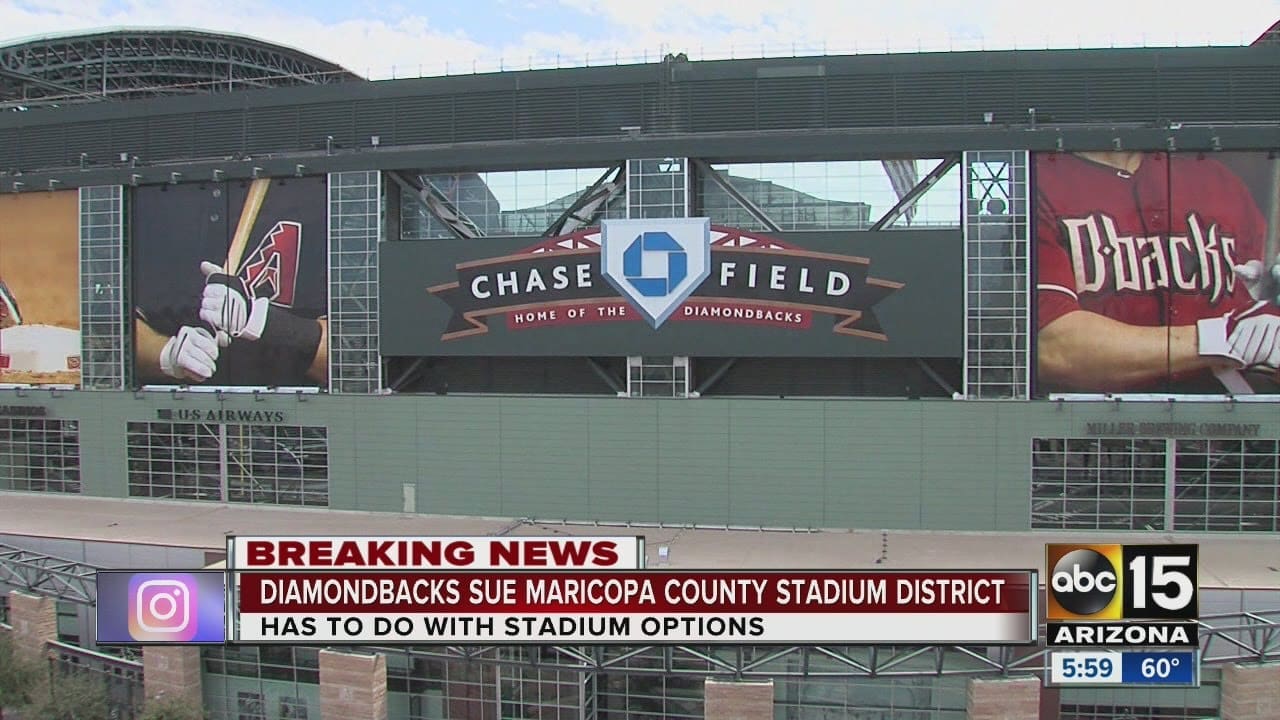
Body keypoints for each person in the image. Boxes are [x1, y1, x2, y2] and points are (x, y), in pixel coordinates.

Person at [1036, 151, 1280, 393]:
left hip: (1228, 409)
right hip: (1095, 412)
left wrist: (1266, 303)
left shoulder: (1214, 179)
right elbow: (1054, 349)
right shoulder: (1035, 179)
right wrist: (1221, 338)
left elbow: (1264, 319)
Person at [132, 179, 329, 387]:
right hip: (172, 402)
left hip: (288, 404)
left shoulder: (318, 187)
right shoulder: (161, 188)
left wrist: (260, 320)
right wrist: (166, 354)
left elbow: (346, 360)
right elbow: (118, 337)